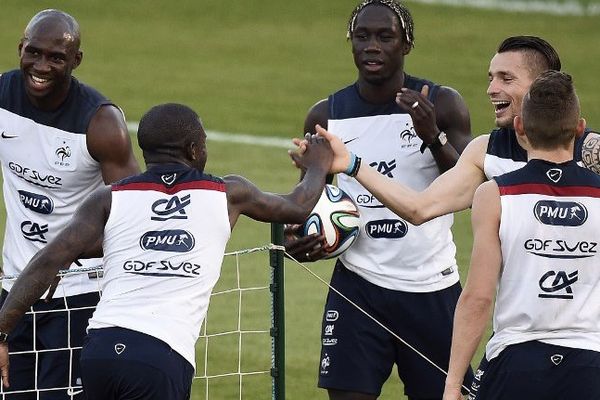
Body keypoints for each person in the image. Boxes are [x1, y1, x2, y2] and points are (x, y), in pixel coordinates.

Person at [0, 103, 333, 399]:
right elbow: (298, 206)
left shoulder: (109, 197)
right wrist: (318, 164)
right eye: (203, 143)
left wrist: (2, 331)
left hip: (99, 352)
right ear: (192, 149)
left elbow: (47, 259)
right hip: (159, 357)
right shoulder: (228, 193)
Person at [287, 1, 474, 398]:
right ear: (351, 43)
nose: (372, 46)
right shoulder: (327, 114)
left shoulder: (442, 104)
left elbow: (468, 187)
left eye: (385, 37)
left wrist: (432, 135)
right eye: (363, 37)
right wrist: (300, 240)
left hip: (431, 289)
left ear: (406, 44)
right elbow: (308, 201)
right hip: (358, 287)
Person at [310, 35, 600, 228]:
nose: (491, 89)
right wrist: (351, 163)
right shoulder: (487, 152)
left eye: (506, 78)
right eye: (491, 78)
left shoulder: (590, 152)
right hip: (516, 323)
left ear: (542, 85)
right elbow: (420, 208)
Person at [0, 9, 140, 399]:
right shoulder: (1, 97)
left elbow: (134, 213)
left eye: (56, 58)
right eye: (34, 53)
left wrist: (70, 254)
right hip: (15, 287)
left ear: (76, 61)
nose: (41, 66)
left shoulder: (101, 124)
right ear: (20, 49)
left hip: (79, 294)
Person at [443, 71, 600, 400]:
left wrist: (453, 383)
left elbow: (478, 298)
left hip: (515, 362)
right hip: (591, 364)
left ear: (519, 128)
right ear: (580, 129)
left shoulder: (493, 195)